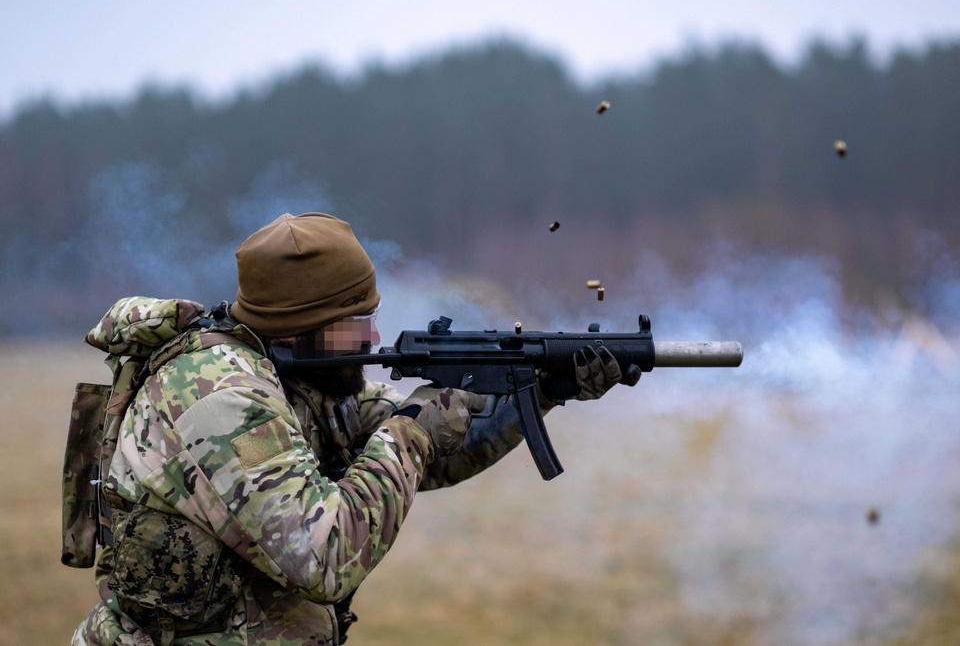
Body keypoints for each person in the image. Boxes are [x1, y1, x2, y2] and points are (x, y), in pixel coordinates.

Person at [70, 212, 628, 646]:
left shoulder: (302, 376)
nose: (373, 336)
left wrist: (547, 388)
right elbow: (324, 555)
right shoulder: (220, 396)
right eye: (355, 321)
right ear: (302, 324)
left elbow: (441, 449)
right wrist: (410, 433)